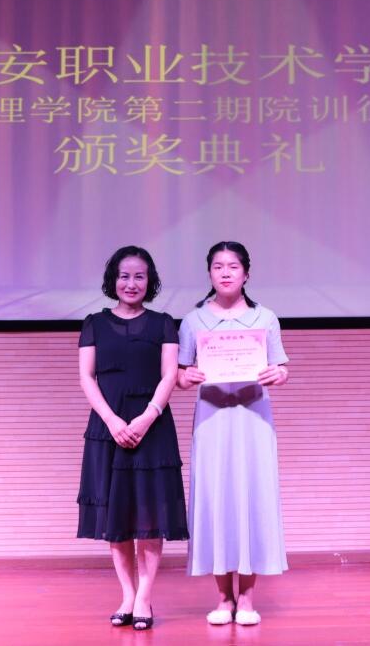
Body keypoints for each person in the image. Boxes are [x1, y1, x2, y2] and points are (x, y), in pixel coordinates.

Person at [176, 241, 290, 626]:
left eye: (233, 266)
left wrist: (279, 374)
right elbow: (180, 375)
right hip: (212, 419)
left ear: (246, 273)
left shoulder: (264, 318)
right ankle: (223, 598)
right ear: (209, 273)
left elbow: (280, 367)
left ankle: (248, 598)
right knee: (216, 499)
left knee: (251, 497)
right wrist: (187, 377)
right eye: (218, 266)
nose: (225, 272)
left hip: (253, 418)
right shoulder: (193, 320)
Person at [77, 245, 188, 631]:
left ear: (150, 281)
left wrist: (146, 417)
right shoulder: (94, 323)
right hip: (107, 430)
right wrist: (111, 421)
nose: (131, 283)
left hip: (152, 429)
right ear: (113, 279)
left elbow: (170, 375)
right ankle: (127, 595)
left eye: (139, 276)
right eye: (124, 276)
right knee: (117, 516)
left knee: (150, 517)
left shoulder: (163, 323)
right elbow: (86, 377)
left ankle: (144, 598)